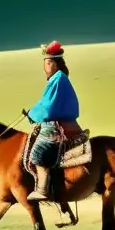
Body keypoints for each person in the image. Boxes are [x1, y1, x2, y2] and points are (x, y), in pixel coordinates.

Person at [24, 41, 81, 201]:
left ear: (55, 64)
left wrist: (33, 115)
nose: (46, 67)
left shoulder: (58, 79)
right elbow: (45, 102)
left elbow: (48, 107)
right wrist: (32, 112)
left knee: (37, 153)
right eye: (45, 63)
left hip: (57, 125)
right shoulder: (58, 78)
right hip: (59, 121)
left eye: (48, 63)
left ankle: (42, 190)